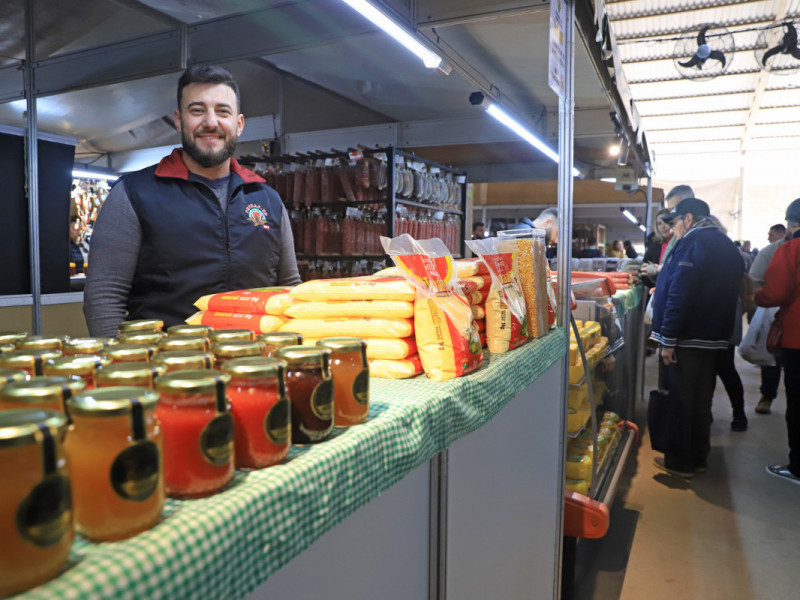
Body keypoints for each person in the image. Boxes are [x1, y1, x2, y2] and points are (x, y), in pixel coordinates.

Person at [84, 65, 301, 337]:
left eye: (223, 111)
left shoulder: (267, 199)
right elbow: (104, 297)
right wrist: (124, 368)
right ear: (178, 119)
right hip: (167, 371)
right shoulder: (133, 193)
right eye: (197, 110)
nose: (211, 122)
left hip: (256, 367)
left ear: (239, 123)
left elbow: (289, 288)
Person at [650, 198, 744, 477]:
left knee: (681, 399)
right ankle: (699, 457)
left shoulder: (692, 243)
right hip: (714, 338)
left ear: (688, 218)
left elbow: (681, 293)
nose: (673, 228)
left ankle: (680, 462)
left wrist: (668, 339)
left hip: (687, 338)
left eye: (675, 222)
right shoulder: (727, 245)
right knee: (702, 399)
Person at [754, 199, 800, 485]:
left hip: (797, 337)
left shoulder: (791, 249)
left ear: (792, 223)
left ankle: (797, 467)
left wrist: (756, 298)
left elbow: (774, 292)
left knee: (797, 402)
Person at [749, 222, 792, 414]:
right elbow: (754, 280)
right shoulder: (771, 252)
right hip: (774, 316)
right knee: (772, 357)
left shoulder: (779, 251)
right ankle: (767, 395)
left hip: (785, 315)